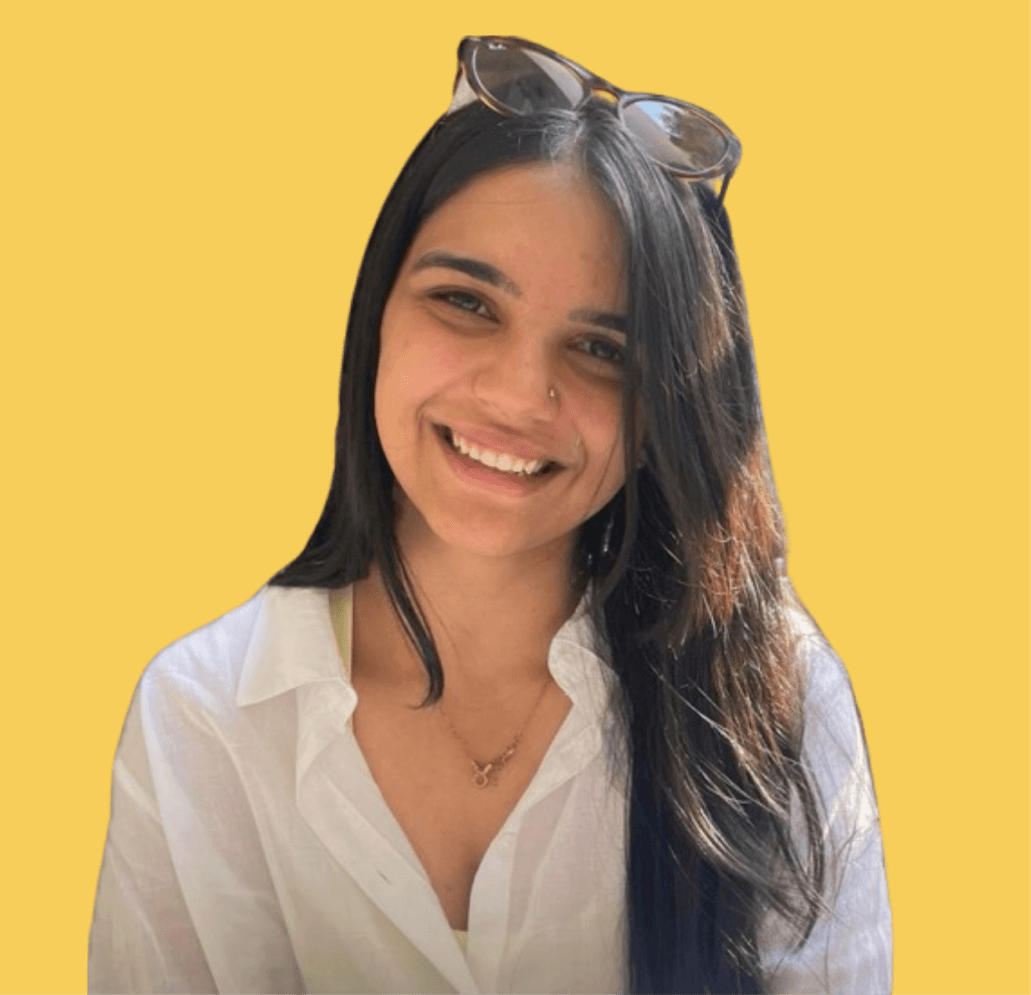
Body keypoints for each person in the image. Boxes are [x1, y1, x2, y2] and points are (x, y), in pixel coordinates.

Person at [88, 35, 892, 995]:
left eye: (601, 349)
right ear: (375, 311)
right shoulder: (202, 719)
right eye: (466, 302)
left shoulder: (776, 701)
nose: (520, 394)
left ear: (662, 410)